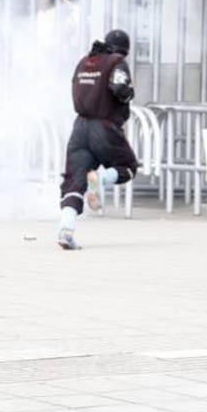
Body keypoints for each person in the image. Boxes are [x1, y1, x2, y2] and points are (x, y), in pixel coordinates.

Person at [56, 29, 139, 250]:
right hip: (105, 126)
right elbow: (120, 87)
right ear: (124, 49)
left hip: (80, 127)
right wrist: (129, 94)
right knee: (128, 167)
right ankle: (100, 178)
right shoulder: (116, 62)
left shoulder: (85, 61)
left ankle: (66, 231)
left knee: (73, 180)